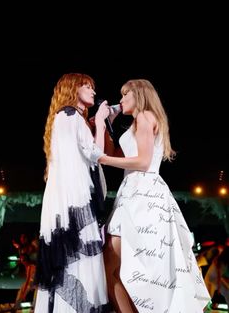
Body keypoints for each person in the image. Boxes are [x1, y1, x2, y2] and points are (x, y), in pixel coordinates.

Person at [98, 79, 211, 312]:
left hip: (143, 195)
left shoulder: (145, 117)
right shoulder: (136, 123)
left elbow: (142, 162)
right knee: (112, 267)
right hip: (132, 193)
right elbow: (116, 153)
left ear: (138, 95)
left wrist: (103, 160)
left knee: (115, 266)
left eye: (125, 95)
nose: (120, 100)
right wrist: (107, 124)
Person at [34, 73, 111, 313]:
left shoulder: (64, 118)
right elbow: (95, 155)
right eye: (87, 86)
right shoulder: (71, 117)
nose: (93, 91)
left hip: (61, 206)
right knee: (81, 264)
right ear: (73, 89)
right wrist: (99, 121)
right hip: (75, 204)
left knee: (64, 266)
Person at [12, 233, 39, 310]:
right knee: (31, 286)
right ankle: (31, 305)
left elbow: (29, 252)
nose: (22, 240)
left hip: (35, 269)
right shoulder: (25, 248)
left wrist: (19, 247)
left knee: (30, 285)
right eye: (21, 238)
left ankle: (21, 303)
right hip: (32, 269)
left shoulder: (32, 246)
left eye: (24, 238)